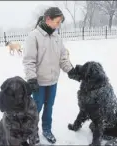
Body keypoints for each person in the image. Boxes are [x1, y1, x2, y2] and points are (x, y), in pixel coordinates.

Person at [22, 7, 75, 144]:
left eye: (60, 22)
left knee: (49, 106)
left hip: (53, 81)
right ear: (47, 19)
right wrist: (31, 78)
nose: (59, 25)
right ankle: (32, 132)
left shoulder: (57, 37)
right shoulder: (33, 36)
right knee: (36, 108)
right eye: (57, 22)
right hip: (38, 82)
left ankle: (47, 129)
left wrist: (71, 70)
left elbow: (63, 58)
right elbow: (29, 61)